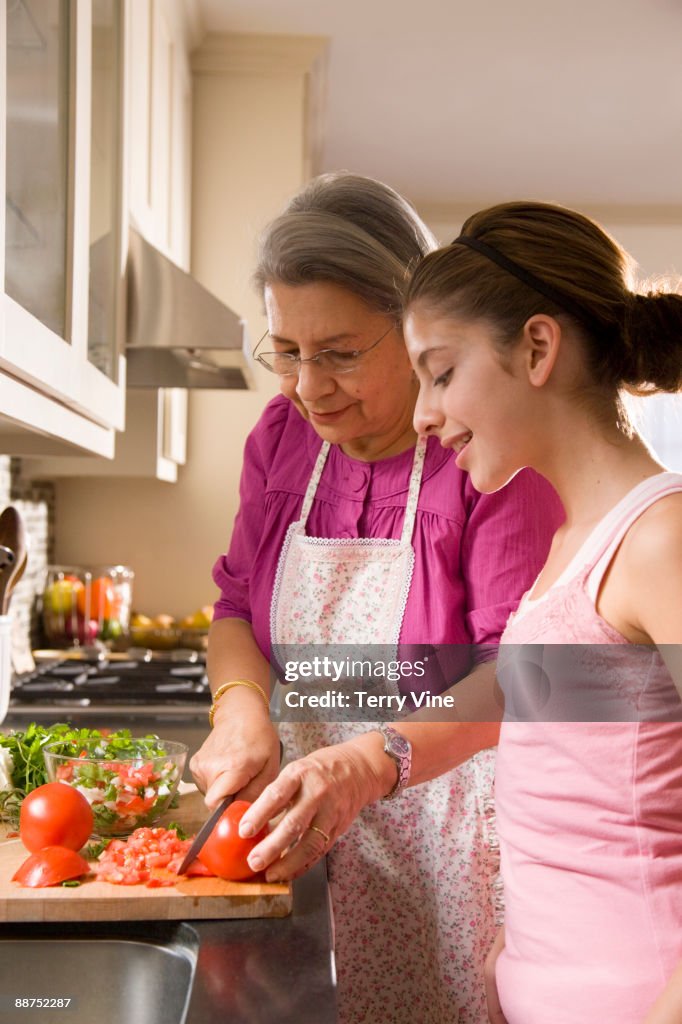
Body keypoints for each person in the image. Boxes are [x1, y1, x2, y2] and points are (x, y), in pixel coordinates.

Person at [190, 174, 563, 1024]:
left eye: (342, 352)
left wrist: (368, 762)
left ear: (419, 331)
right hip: (311, 825)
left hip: (455, 844)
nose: (308, 387)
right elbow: (236, 608)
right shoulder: (281, 440)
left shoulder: (488, 454)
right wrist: (241, 710)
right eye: (287, 350)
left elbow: (522, 674)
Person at [395, 200, 682, 1023]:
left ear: (537, 347)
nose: (423, 415)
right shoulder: (571, 545)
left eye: (441, 373)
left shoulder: (661, 538)